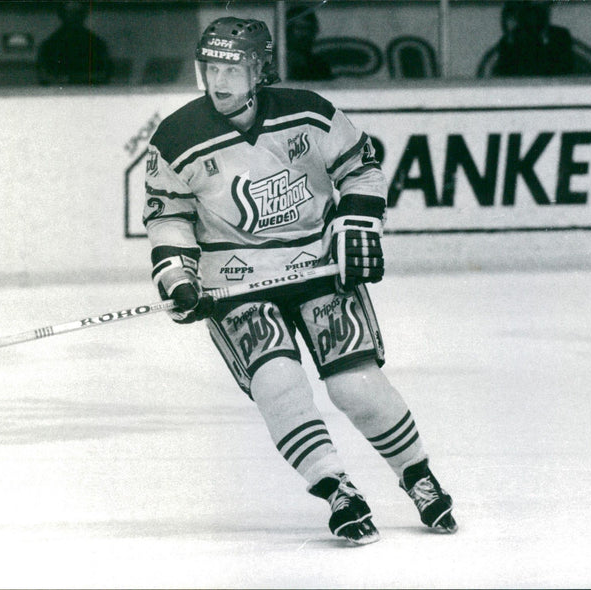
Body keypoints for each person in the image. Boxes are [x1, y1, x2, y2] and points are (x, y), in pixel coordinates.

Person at [142, 16, 457, 545]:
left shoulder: (308, 111)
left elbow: (361, 167)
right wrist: (177, 275)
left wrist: (356, 227)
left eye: (232, 69)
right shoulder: (176, 136)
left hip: (316, 266)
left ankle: (417, 474)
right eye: (211, 67)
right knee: (277, 382)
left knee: (355, 385)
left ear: (259, 70)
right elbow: (167, 216)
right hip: (235, 276)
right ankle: (336, 488)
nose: (218, 82)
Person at [37, 1, 114, 85]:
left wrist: (73, 79)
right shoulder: (49, 46)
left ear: (84, 14)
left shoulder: (97, 44)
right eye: (69, 13)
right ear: (61, 14)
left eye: (77, 13)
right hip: (59, 95)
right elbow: (44, 76)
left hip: (89, 94)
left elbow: (104, 74)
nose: (73, 17)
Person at [492, 0, 574, 77]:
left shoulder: (560, 37)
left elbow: (566, 71)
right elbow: (504, 76)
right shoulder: (510, 41)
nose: (533, 19)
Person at [286, 5, 333, 81]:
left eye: (309, 28)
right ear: (287, 30)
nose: (305, 33)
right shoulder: (275, 61)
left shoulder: (319, 64)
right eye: (299, 28)